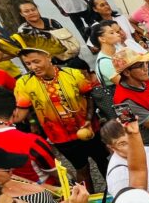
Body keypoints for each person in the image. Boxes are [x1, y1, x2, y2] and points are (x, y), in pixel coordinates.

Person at [14, 47, 108, 187]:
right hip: (60, 137)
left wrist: (88, 120)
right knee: (81, 168)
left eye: (36, 61)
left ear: (48, 57)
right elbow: (23, 112)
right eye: (28, 64)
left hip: (90, 130)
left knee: (104, 161)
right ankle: (88, 202)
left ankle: (116, 192)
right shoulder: (24, 83)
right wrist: (32, 123)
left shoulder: (73, 74)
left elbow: (89, 97)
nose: (33, 67)